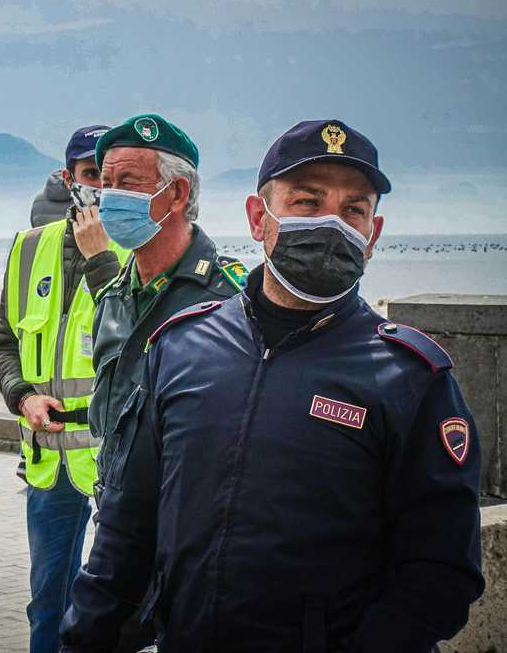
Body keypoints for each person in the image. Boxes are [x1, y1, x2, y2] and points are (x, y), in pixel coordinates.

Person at [60, 120, 484, 653]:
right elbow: (128, 524)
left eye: (354, 209)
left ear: (373, 234)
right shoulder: (182, 345)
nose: (333, 222)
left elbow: (440, 574)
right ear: (259, 218)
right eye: (307, 202)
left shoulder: (410, 379)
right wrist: (83, 637)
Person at [81, 113, 247, 652]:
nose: (108, 198)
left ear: (176, 194)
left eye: (126, 183)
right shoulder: (115, 296)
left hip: (196, 538)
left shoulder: (232, 299)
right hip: (117, 524)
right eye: (104, 182)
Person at [0, 125, 129, 653]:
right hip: (49, 461)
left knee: (123, 607)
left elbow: (141, 339)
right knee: (48, 602)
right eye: (91, 175)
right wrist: (21, 396)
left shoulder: (141, 247)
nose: (100, 187)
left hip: (116, 460)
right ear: (69, 178)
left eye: (111, 176)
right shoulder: (27, 249)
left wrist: (100, 258)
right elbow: (3, 341)